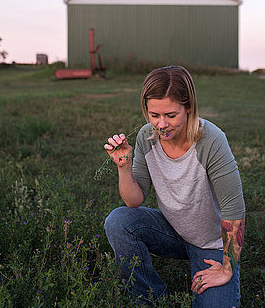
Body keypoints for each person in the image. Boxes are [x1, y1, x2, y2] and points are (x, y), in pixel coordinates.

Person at [103, 65, 245, 307]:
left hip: (210, 242)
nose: (161, 125)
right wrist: (123, 166)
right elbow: (134, 201)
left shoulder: (211, 139)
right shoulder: (147, 138)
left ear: (188, 107)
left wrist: (226, 268)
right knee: (119, 221)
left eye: (170, 115)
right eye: (154, 114)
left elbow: (234, 208)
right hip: (172, 230)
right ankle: (150, 298)